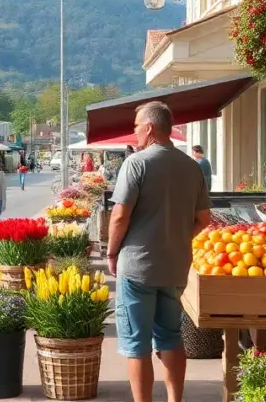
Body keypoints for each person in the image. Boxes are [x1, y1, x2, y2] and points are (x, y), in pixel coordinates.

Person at [108, 102, 211, 402]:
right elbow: (203, 219)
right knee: (170, 336)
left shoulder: (137, 163)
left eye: (137, 126)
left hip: (137, 265)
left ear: (150, 128)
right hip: (175, 266)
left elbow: (119, 216)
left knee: (136, 344)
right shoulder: (191, 166)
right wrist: (178, 236)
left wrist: (113, 252)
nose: (135, 131)